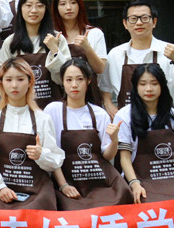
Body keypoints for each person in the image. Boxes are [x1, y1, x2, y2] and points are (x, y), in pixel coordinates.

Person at [0, 58, 64, 212]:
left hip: (37, 192)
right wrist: (0, 187)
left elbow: (56, 160)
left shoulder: (43, 118)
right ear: (1, 83)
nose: (14, 85)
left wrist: (41, 155)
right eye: (9, 80)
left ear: (30, 82)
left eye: (20, 79)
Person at [44, 59, 132, 210]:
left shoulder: (99, 114)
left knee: (122, 198)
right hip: (67, 180)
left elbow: (107, 156)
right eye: (69, 80)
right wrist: (63, 185)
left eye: (79, 79)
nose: (74, 85)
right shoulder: (52, 110)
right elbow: (51, 154)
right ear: (62, 82)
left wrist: (114, 140)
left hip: (98, 179)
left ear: (89, 80)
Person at [100, 0, 174, 119]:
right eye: (133, 19)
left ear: (154, 22)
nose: (139, 23)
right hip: (127, 121)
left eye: (144, 18)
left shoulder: (171, 51)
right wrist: (108, 104)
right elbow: (105, 86)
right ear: (125, 23)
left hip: (163, 120)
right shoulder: (115, 54)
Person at [117, 64, 174, 204]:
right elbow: (125, 157)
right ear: (135, 86)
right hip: (141, 179)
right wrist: (134, 183)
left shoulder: (172, 114)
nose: (149, 89)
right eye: (143, 84)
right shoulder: (124, 116)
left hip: (172, 176)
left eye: (154, 83)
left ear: (162, 86)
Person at [0, 0, 70, 109]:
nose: (34, 10)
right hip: (20, 108)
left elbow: (64, 78)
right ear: (20, 9)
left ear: (46, 9)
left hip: (53, 108)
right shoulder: (10, 42)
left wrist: (54, 50)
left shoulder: (57, 39)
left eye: (39, 6)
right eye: (28, 5)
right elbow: (2, 81)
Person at [53, 0, 107, 105]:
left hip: (90, 97)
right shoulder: (52, 36)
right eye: (62, 4)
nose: (68, 7)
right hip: (58, 97)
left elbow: (100, 69)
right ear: (56, 8)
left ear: (80, 5)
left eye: (73, 2)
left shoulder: (94, 33)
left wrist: (87, 47)